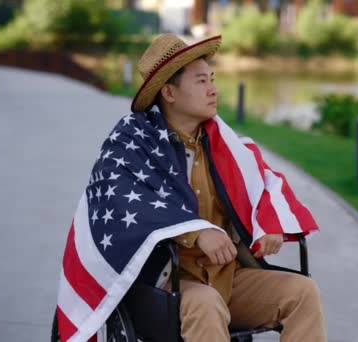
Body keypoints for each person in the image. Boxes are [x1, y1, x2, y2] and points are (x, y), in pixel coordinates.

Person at [56, 33, 326, 342]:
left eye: (212, 78)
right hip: (165, 283)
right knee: (206, 304)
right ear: (169, 93)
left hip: (227, 276)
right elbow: (123, 202)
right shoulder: (131, 144)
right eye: (201, 81)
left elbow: (262, 182)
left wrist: (270, 221)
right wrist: (194, 231)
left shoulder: (224, 145)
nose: (213, 89)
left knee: (303, 293)